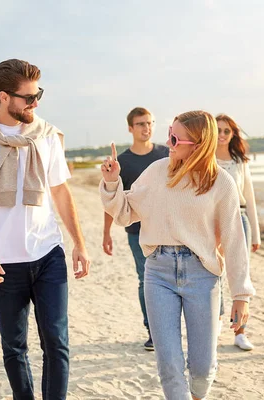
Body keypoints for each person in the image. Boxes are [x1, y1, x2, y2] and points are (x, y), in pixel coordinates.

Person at [0, 59, 90, 400]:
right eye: (28, 97)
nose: (35, 103)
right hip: (3, 260)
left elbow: (60, 190)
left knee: (56, 340)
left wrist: (79, 243)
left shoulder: (46, 135)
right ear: (3, 97)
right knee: (14, 346)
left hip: (48, 254)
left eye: (38, 94)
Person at [100, 110, 255, 400]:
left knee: (202, 367)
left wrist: (241, 295)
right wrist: (112, 182)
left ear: (197, 143)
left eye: (174, 137)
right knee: (168, 365)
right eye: (169, 133)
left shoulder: (221, 183)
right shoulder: (157, 172)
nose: (168, 142)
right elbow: (124, 213)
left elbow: (235, 241)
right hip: (157, 272)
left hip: (203, 274)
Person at [102, 107, 169, 351]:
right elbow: (113, 198)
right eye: (140, 124)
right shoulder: (123, 161)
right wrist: (106, 233)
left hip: (168, 230)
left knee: (169, 279)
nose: (146, 128)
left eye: (149, 123)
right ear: (130, 128)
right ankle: (152, 331)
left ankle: (167, 329)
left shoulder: (166, 154)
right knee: (146, 279)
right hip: (137, 231)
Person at [215, 113, 260, 351]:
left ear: (232, 134)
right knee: (215, 273)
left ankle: (240, 332)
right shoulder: (205, 159)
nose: (222, 135)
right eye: (218, 130)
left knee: (240, 276)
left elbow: (250, 197)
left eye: (226, 131)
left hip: (239, 219)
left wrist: (256, 235)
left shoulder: (240, 160)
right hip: (212, 222)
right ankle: (217, 322)